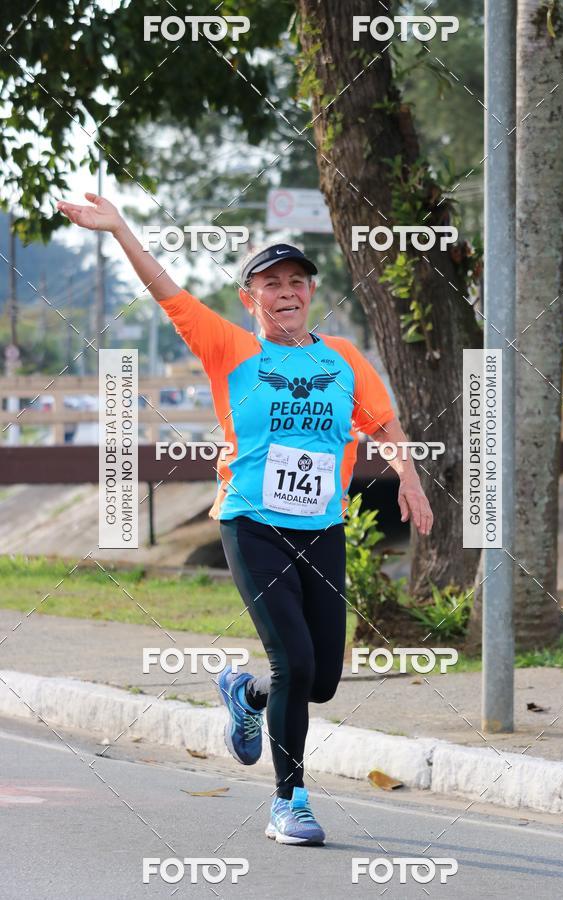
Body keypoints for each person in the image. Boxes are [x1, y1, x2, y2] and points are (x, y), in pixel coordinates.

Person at [57, 193, 434, 846]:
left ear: (311, 291)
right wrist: (119, 228)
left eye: (296, 283)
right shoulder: (229, 349)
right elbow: (166, 290)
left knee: (321, 682)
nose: (285, 293)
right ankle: (290, 804)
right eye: (271, 285)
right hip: (251, 524)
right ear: (248, 298)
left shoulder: (341, 357)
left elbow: (384, 421)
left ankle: (245, 694)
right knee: (292, 659)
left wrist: (408, 472)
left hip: (323, 528)